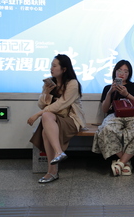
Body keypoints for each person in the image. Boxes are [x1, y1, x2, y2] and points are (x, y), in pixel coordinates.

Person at [28, 54, 86, 183]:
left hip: (71, 120)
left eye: (54, 66)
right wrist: (46, 93)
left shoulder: (72, 83)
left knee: (45, 116)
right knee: (45, 127)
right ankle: (55, 164)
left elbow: (61, 104)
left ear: (64, 69)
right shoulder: (50, 82)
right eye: (51, 66)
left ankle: (52, 170)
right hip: (54, 120)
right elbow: (41, 104)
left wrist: (37, 114)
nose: (51, 69)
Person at [92, 60, 134, 176]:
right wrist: (110, 92)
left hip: (133, 116)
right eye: (119, 70)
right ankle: (126, 162)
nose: (122, 74)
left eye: (126, 71)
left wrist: (127, 95)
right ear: (115, 72)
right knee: (106, 129)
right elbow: (105, 109)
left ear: (129, 74)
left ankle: (120, 163)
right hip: (114, 116)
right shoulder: (107, 88)